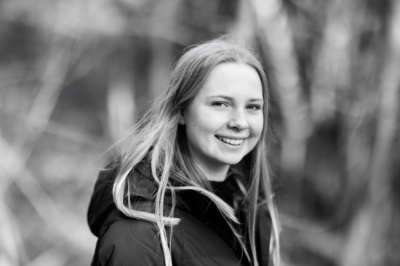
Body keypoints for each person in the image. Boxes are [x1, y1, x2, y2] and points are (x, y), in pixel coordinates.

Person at [87, 39, 281, 266]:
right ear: (181, 111)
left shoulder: (253, 211)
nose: (240, 122)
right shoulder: (140, 236)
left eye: (253, 107)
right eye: (220, 104)